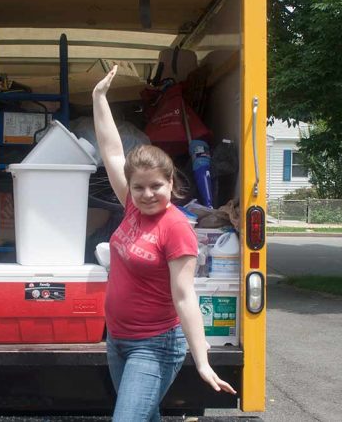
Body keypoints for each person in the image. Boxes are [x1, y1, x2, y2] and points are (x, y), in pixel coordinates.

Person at [92, 65, 236, 422]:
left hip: (155, 344)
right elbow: (112, 152)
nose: (146, 194)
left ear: (171, 182)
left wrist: (201, 359)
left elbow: (186, 296)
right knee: (146, 416)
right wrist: (98, 98)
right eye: (139, 187)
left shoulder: (175, 228)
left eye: (156, 185)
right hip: (119, 339)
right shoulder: (132, 206)